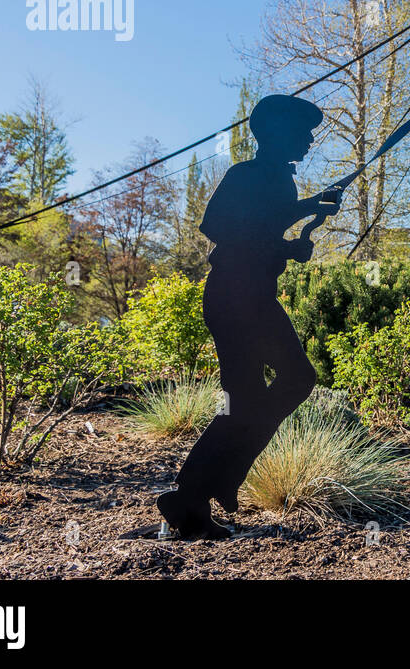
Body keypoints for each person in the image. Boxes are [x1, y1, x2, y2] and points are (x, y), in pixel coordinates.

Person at [158, 95, 340, 539]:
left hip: (249, 294)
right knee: (291, 380)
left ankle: (194, 495)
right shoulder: (247, 175)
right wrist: (289, 240)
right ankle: (207, 486)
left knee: (256, 396)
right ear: (276, 134)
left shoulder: (279, 180)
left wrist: (306, 214)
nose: (310, 139)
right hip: (236, 296)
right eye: (302, 132)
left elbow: (261, 224)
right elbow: (219, 226)